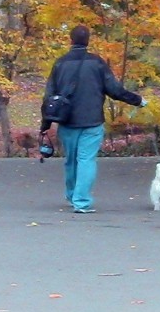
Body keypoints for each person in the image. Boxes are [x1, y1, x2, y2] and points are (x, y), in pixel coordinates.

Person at [40, 25, 146, 213]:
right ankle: (81, 202)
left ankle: (72, 194)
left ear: (70, 40)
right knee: (86, 160)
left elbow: (49, 96)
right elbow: (115, 90)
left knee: (71, 160)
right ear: (88, 41)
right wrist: (137, 100)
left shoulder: (60, 63)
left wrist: (45, 125)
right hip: (92, 120)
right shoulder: (97, 63)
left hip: (67, 121)